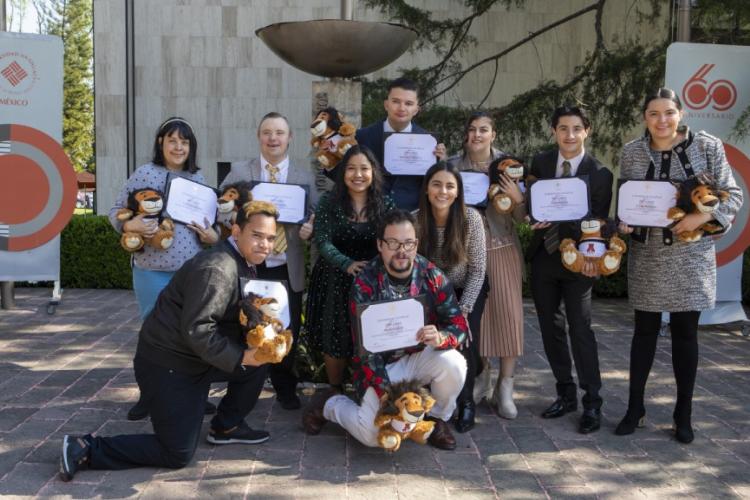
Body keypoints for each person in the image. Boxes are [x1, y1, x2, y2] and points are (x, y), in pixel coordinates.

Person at [59, 201, 281, 482]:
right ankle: (86, 448)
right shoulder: (218, 269)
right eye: (257, 235)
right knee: (176, 452)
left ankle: (226, 427)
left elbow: (227, 320)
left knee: (261, 360)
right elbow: (199, 331)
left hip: (195, 357)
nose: (265, 244)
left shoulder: (244, 261)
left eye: (271, 238)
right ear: (236, 231)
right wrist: (241, 358)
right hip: (168, 364)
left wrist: (262, 339)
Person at [615, 88, 742, 443]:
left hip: (691, 255)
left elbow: (733, 194)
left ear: (681, 114)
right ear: (645, 117)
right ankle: (634, 408)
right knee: (644, 333)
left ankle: (683, 414)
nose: (662, 120)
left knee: (686, 334)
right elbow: (628, 198)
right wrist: (624, 222)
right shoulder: (632, 152)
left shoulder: (707, 146)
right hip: (650, 254)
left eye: (668, 113)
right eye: (654, 114)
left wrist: (700, 219)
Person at [302, 210, 468, 450]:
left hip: (417, 358)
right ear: (380, 245)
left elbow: (459, 325)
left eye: (408, 243)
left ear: (416, 244)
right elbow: (365, 352)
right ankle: (331, 404)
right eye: (393, 243)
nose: (402, 250)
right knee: (371, 436)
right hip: (379, 367)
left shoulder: (432, 276)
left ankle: (434, 420)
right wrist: (388, 397)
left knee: (454, 363)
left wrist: (441, 337)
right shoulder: (365, 283)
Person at [108, 117, 219, 421]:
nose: (178, 146)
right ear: (161, 143)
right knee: (152, 334)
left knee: (193, 332)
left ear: (191, 147)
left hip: (191, 271)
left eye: (184, 142)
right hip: (151, 269)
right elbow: (115, 212)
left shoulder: (199, 179)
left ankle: (195, 394)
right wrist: (128, 224)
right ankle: (150, 396)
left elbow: (214, 229)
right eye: (172, 140)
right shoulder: (145, 172)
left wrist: (213, 237)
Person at [220, 112, 318, 410]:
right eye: (266, 132)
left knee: (286, 328)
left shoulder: (304, 176)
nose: (273, 138)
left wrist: (310, 228)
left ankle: (285, 387)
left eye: (279, 133)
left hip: (287, 267)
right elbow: (221, 209)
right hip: (249, 265)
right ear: (258, 136)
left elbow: (315, 216)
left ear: (289, 138)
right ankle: (241, 388)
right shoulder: (240, 171)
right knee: (245, 326)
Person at [528, 105, 613, 434]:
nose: (569, 135)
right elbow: (532, 202)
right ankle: (565, 394)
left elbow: (599, 223)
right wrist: (533, 216)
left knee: (581, 329)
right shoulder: (542, 162)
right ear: (554, 131)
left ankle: (592, 401)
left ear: (586, 131)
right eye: (563, 128)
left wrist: (583, 240)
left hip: (580, 259)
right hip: (544, 256)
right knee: (550, 328)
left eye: (576, 128)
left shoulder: (600, 172)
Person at [448, 111, 526, 420]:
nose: (477, 135)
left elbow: (522, 220)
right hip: (463, 251)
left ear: (493, 134)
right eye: (472, 130)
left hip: (501, 246)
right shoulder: (453, 166)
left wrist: (517, 199)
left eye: (484, 130)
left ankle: (505, 386)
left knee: (508, 316)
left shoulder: (509, 166)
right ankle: (481, 375)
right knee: (473, 318)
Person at [304, 145, 395, 391]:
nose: (358, 174)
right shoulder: (328, 202)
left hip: (373, 279)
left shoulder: (385, 203)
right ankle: (335, 390)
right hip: (335, 278)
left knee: (371, 337)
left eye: (364, 168)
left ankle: (368, 389)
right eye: (351, 168)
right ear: (343, 172)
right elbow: (322, 241)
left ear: (373, 172)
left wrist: (375, 268)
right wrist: (348, 264)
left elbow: (392, 241)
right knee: (335, 339)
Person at [415, 162, 487, 432]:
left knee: (464, 339)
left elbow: (478, 270)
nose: (442, 191)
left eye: (449, 186)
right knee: (424, 339)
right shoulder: (415, 220)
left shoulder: (471, 219)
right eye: (436, 184)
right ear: (426, 190)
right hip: (426, 294)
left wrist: (464, 309)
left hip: (463, 289)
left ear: (457, 192)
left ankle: (467, 403)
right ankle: (424, 400)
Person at [355, 77, 447, 210]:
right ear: (386, 104)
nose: (402, 108)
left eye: (409, 103)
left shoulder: (428, 142)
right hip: (370, 214)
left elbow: (434, 183)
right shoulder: (363, 136)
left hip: (412, 216)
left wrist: (441, 163)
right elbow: (345, 174)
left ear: (416, 109)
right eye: (396, 101)